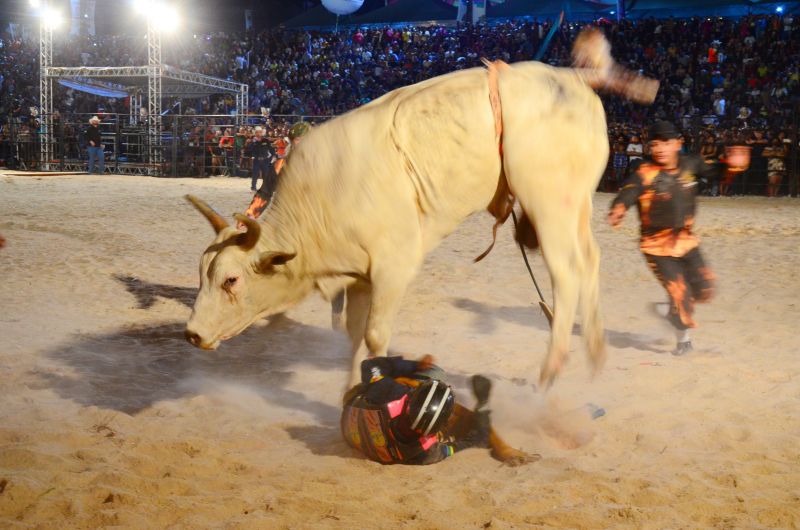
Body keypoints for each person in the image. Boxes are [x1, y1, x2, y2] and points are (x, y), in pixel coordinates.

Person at [608, 121, 749, 355]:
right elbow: (629, 191)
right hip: (656, 245)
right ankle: (683, 342)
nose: (660, 149)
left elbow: (716, 173)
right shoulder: (644, 171)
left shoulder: (691, 164)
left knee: (705, 289)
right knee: (680, 293)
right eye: (654, 144)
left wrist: (732, 167)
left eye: (665, 143)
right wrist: (619, 207)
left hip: (686, 241)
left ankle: (666, 310)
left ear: (677, 143)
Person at [342, 355, 531, 465]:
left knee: (430, 374)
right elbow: (474, 439)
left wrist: (412, 367)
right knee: (436, 372)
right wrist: (483, 405)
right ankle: (504, 449)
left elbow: (370, 364)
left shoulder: (388, 392)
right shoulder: (425, 453)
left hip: (351, 416)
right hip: (354, 423)